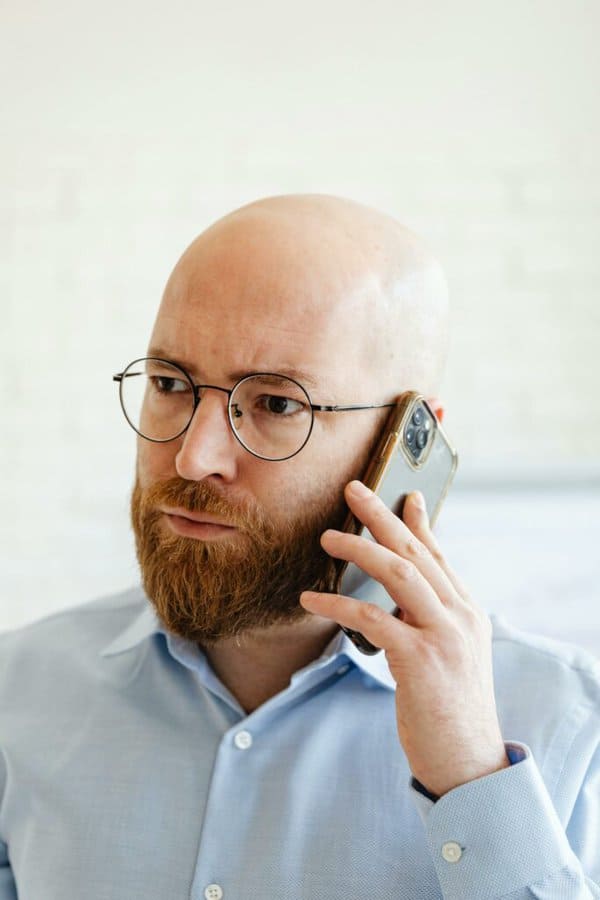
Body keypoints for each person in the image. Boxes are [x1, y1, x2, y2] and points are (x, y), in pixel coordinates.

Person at [1, 194, 598, 899]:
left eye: (277, 404)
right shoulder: (19, 695)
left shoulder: (568, 725)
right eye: (169, 384)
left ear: (409, 440)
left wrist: (473, 782)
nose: (195, 458)